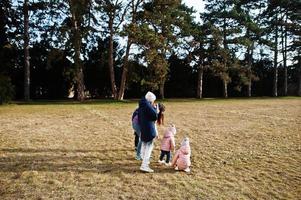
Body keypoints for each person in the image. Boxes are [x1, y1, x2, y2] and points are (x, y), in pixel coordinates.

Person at [138, 91, 159, 173]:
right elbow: (154, 116)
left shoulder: (142, 104)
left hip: (143, 128)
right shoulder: (147, 106)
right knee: (149, 147)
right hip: (149, 129)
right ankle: (144, 165)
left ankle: (144, 161)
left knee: (144, 145)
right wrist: (156, 110)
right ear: (151, 100)